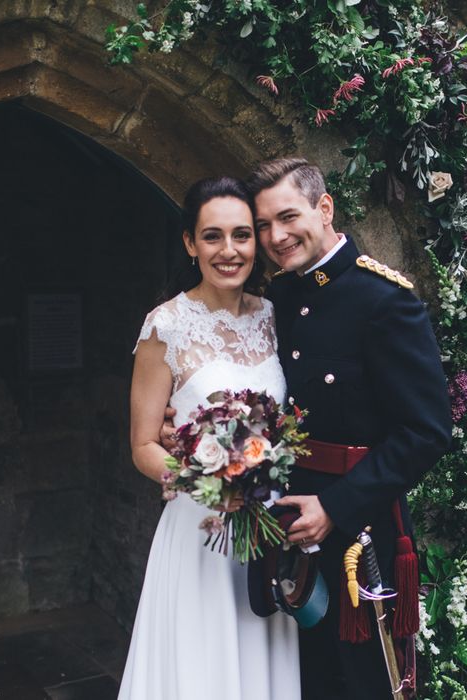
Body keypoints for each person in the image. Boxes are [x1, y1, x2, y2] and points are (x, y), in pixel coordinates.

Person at [247, 158, 452, 700]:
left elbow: (426, 431)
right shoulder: (282, 298)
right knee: (302, 681)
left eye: (287, 217)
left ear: (324, 208)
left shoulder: (385, 300)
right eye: (264, 225)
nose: (275, 236)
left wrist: (335, 508)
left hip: (361, 533)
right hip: (288, 522)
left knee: (364, 682)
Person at [119, 176, 300, 700]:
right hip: (202, 529)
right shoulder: (166, 327)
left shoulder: (273, 316)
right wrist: (207, 481)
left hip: (267, 531)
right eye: (213, 236)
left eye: (242, 235)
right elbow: (143, 445)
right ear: (189, 243)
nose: (229, 251)